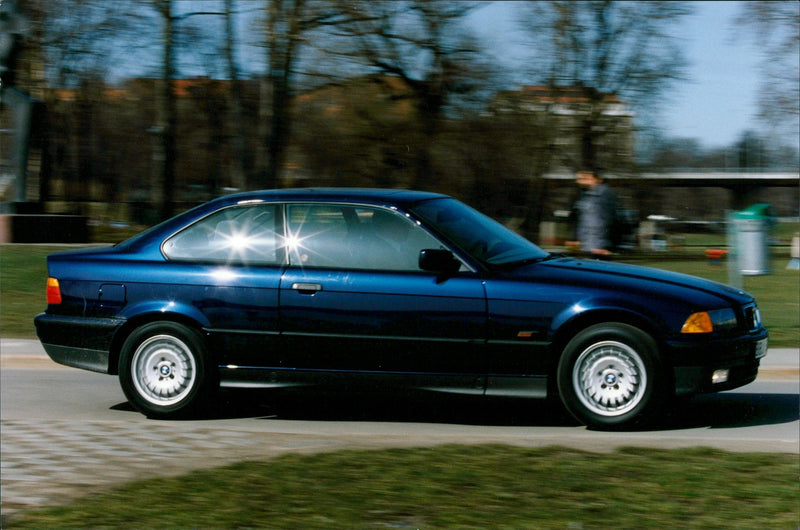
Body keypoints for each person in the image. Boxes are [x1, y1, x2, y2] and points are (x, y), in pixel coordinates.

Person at [566, 169, 617, 256]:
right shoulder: (581, 195)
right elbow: (575, 219)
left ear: (597, 179)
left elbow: (613, 220)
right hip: (584, 245)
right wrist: (573, 238)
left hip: (600, 247)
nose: (579, 181)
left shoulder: (607, 195)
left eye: (584, 178)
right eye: (579, 178)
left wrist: (606, 246)